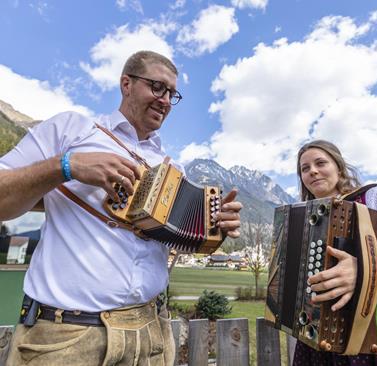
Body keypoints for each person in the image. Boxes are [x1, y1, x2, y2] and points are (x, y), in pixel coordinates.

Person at [0, 50, 242, 366]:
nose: (166, 100)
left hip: (153, 335)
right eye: (157, 87)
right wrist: (67, 166)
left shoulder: (172, 168)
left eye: (172, 93)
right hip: (67, 339)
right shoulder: (73, 130)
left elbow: (176, 240)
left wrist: (214, 227)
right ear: (126, 83)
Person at [292, 140, 377, 366]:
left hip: (373, 328)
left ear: (339, 167)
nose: (312, 171)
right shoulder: (303, 219)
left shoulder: (372, 196)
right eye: (304, 169)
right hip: (316, 336)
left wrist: (366, 271)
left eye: (320, 163)